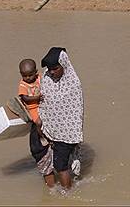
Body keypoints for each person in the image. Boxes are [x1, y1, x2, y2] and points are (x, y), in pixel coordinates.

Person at [39, 48, 83, 190]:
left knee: (60, 165)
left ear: (63, 65)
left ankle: (67, 195)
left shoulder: (73, 84)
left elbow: (75, 112)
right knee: (53, 162)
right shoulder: (46, 78)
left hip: (67, 133)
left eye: (55, 68)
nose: (52, 72)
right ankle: (64, 188)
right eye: (50, 69)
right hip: (50, 131)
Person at [18, 59, 50, 181]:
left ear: (36, 72)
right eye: (24, 75)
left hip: (43, 104)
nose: (27, 78)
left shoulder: (39, 78)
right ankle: (42, 137)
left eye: (30, 75)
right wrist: (37, 97)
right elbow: (25, 99)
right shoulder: (23, 84)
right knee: (39, 122)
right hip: (33, 107)